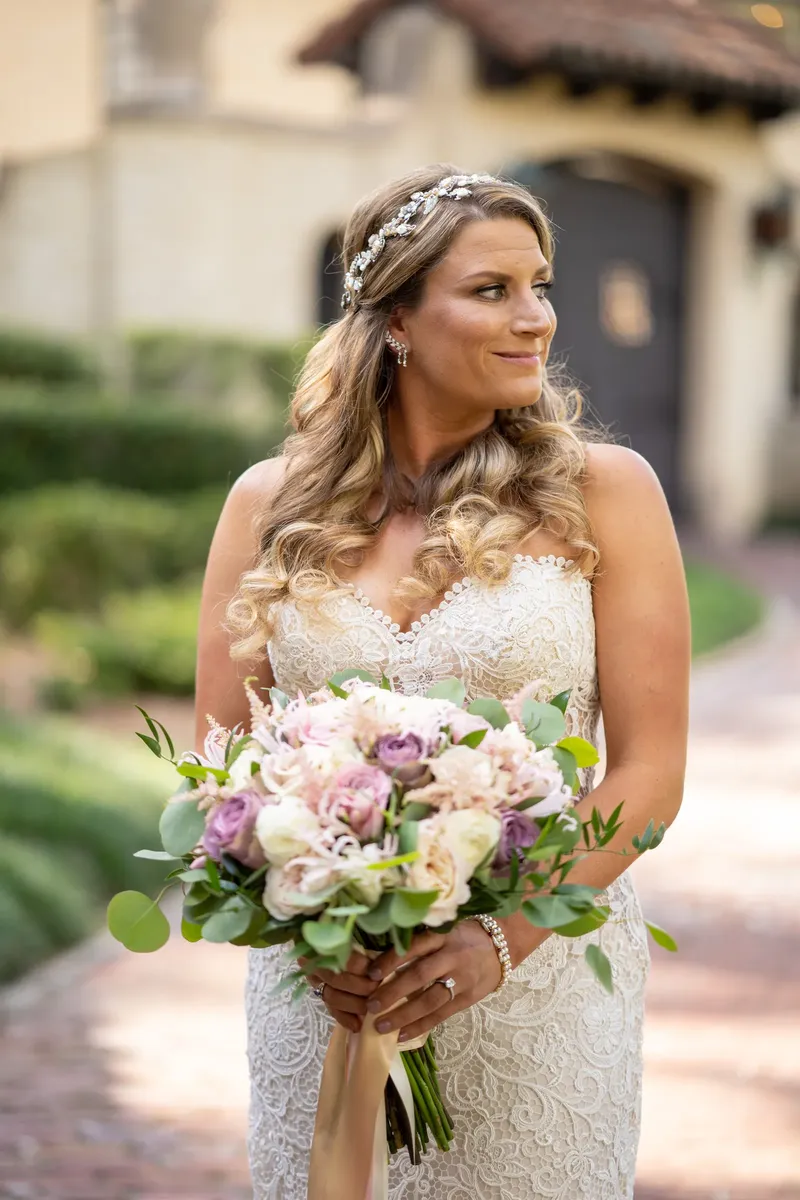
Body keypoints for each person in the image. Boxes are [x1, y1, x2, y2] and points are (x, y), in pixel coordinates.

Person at [195, 165, 690, 1200]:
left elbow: (647, 778)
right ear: (397, 322)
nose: (536, 320)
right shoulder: (263, 507)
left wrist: (496, 941)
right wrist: (307, 921)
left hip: (536, 984)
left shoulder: (608, 494)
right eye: (492, 290)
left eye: (538, 286)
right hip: (326, 985)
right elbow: (221, 762)